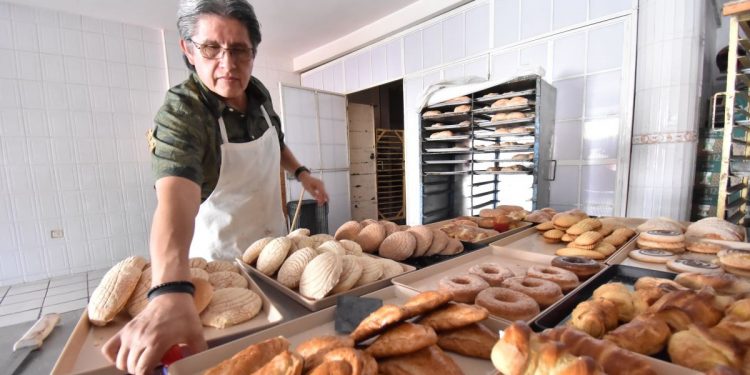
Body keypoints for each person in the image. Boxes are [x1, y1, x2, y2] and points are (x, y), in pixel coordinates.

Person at [102, 1, 328, 373]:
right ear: (188, 49)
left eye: (239, 50)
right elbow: (175, 201)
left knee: (297, 349)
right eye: (211, 48)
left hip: (275, 257)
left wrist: (302, 173)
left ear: (253, 51)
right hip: (223, 272)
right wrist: (170, 289)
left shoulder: (259, 94)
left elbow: (278, 142)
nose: (228, 64)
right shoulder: (183, 113)